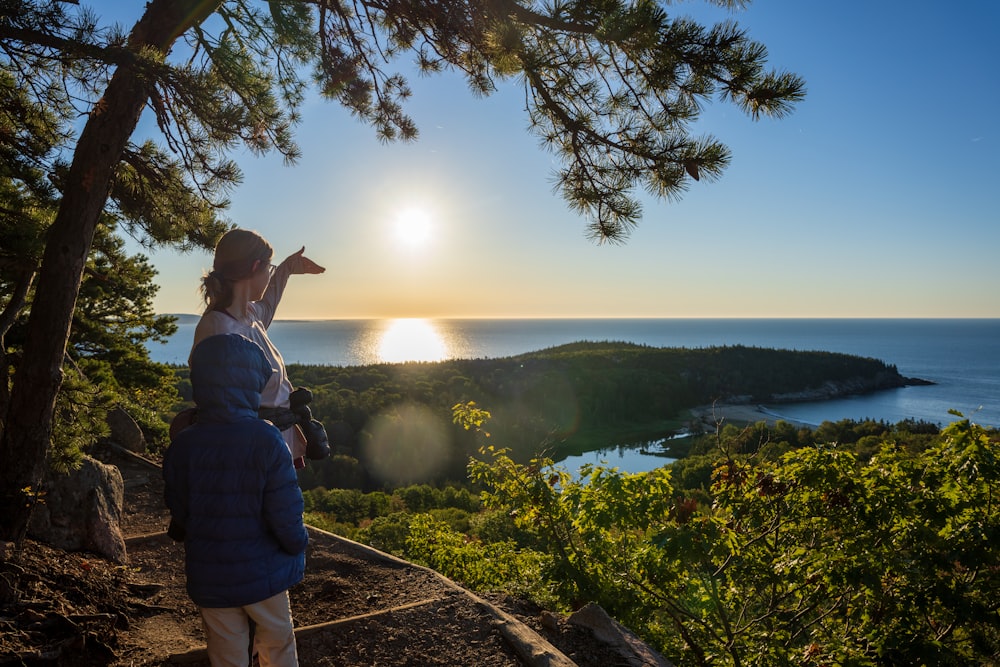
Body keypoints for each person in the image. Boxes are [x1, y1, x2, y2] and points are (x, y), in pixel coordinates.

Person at [163, 333, 309, 666]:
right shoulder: (267, 439)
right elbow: (285, 510)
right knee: (278, 644)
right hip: (265, 573)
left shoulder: (185, 443)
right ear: (250, 384)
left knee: (226, 653)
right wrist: (297, 543)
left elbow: (179, 507)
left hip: (210, 573)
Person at [194, 228, 326, 468]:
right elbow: (224, 414)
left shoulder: (248, 315)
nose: (269, 274)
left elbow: (270, 302)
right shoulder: (220, 330)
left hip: (271, 447)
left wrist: (286, 268)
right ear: (255, 267)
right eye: (270, 268)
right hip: (253, 457)